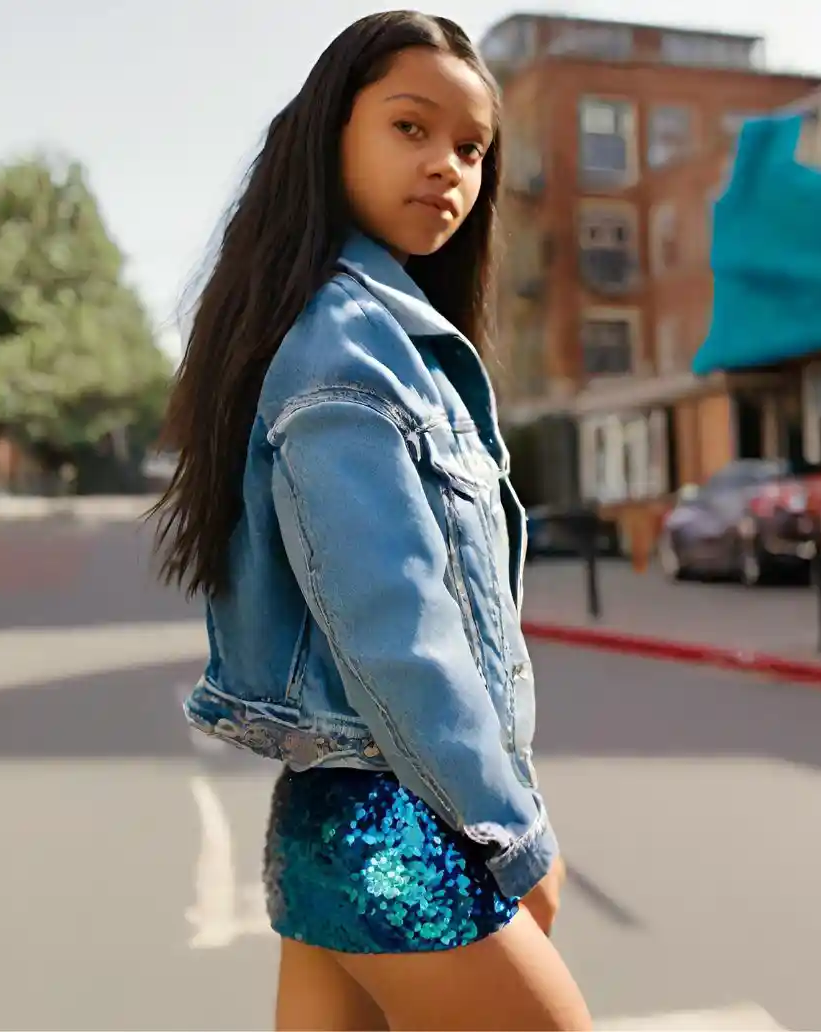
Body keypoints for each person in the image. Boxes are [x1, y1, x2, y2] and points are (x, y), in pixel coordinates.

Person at [153, 10, 592, 1031]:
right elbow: (395, 629)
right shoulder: (350, 350)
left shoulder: (347, 331)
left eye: (472, 147)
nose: (447, 165)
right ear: (330, 133)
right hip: (404, 831)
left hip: (337, 822)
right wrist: (516, 837)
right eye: (411, 127)